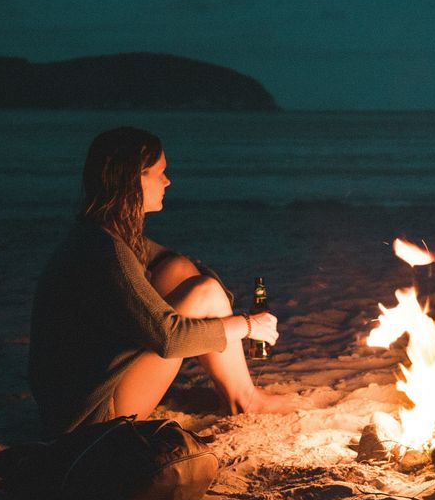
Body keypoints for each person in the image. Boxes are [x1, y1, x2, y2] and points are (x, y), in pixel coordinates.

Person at [29, 126, 294, 437]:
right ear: (133, 179)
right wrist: (249, 325)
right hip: (93, 419)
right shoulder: (106, 251)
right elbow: (169, 340)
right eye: (159, 173)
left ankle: (242, 394)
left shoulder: (102, 233)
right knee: (205, 293)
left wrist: (218, 300)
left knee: (179, 270)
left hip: (76, 398)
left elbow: (183, 266)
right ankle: (244, 399)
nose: (167, 181)